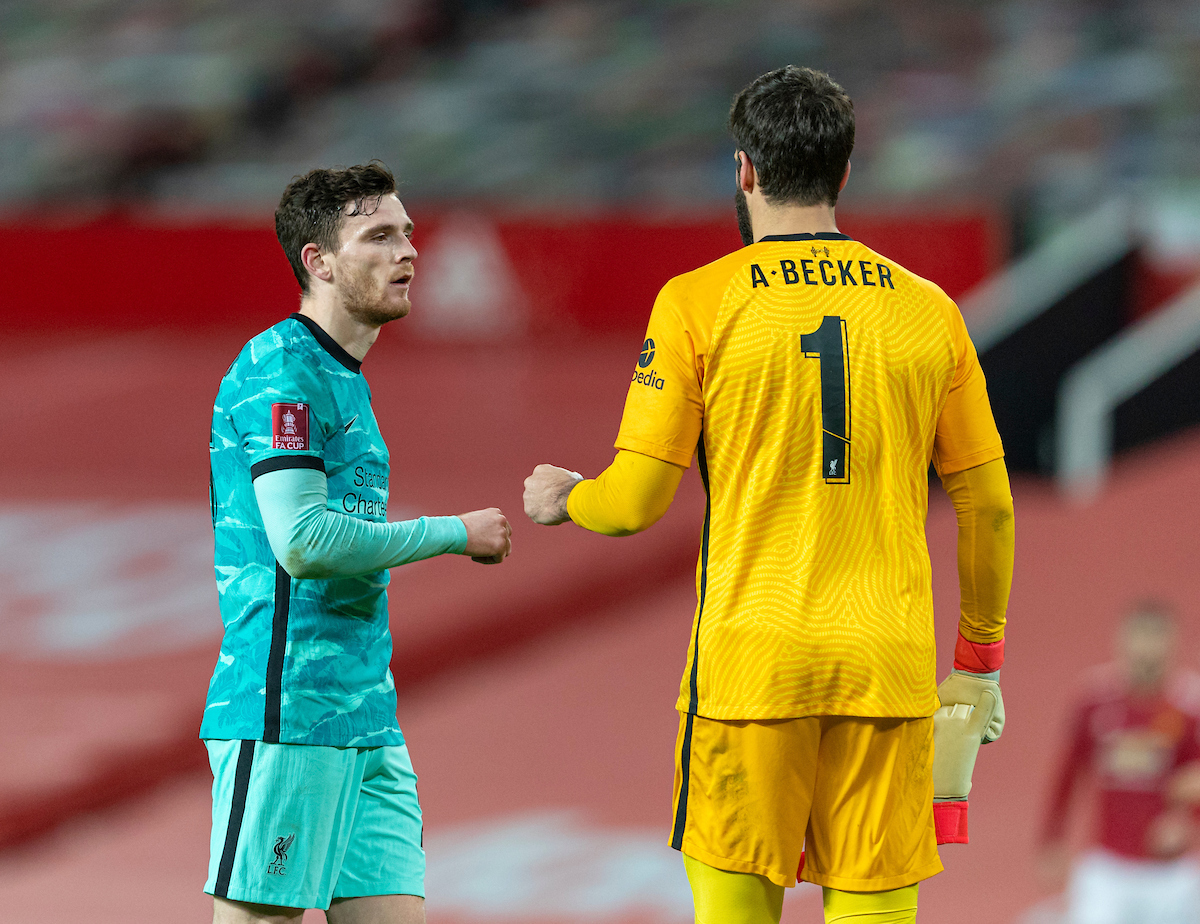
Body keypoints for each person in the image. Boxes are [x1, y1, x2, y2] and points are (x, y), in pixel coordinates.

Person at [523, 65, 1015, 924]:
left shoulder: (695, 304)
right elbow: (990, 505)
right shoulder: (930, 310)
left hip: (748, 672)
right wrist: (977, 663)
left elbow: (634, 502)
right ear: (846, 175)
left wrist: (570, 499)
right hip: (885, 670)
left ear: (744, 170)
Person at [202, 162, 511, 924]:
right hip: (287, 716)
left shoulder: (343, 375)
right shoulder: (281, 368)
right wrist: (454, 534)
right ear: (320, 262)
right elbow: (302, 541)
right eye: (379, 236)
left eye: (407, 233)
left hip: (365, 719)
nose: (408, 250)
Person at [1038, 603, 1200, 924]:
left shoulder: (1188, 705)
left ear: (1172, 643)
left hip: (1170, 872)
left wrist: (1185, 820)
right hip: (1107, 866)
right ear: (1121, 640)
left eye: (1156, 639)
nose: (1147, 649)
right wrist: (1052, 836)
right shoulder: (1095, 700)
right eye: (1139, 637)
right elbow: (1068, 771)